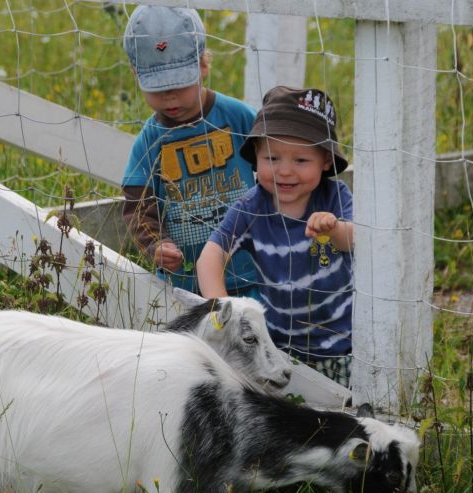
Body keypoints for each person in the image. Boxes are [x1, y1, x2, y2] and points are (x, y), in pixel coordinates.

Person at [197, 86, 354, 387]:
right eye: (272, 157)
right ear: (255, 157)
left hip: (342, 347)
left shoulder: (334, 197)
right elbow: (212, 254)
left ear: (325, 161)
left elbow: (356, 239)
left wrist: (334, 229)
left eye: (300, 161)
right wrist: (223, 311)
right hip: (279, 349)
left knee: (343, 415)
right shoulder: (251, 207)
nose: (284, 171)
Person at [121, 5, 259, 297]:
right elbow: (138, 206)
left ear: (204, 65)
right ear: (135, 74)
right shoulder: (150, 142)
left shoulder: (239, 118)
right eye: (157, 89)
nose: (170, 97)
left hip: (250, 275)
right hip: (183, 286)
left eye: (180, 84)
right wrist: (156, 245)